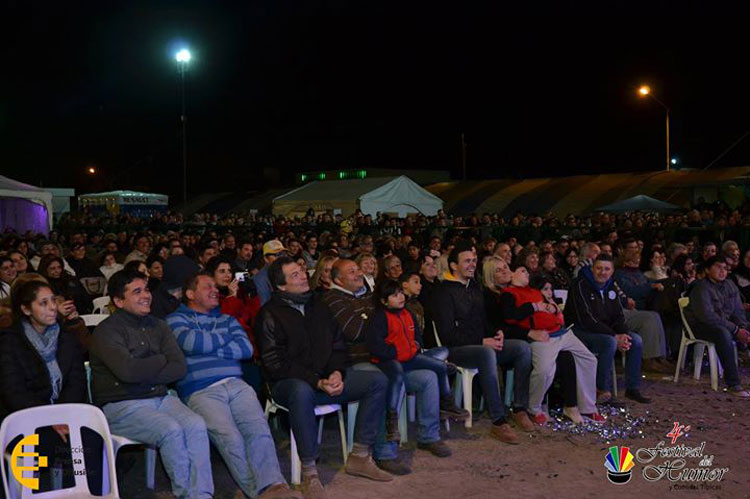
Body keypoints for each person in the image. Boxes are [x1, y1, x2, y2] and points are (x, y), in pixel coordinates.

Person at [256, 256, 393, 498]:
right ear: (281, 286)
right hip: (287, 384)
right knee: (301, 390)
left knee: (377, 381)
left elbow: (338, 346)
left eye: (301, 271)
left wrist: (337, 373)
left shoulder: (318, 306)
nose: (303, 276)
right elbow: (275, 364)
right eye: (295, 275)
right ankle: (309, 472)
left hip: (324, 378)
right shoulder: (269, 314)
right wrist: (316, 381)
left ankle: (360, 455)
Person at [166, 274, 300, 499]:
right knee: (230, 438)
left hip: (236, 384)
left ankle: (274, 485)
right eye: (207, 286)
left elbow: (246, 349)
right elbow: (191, 343)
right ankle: (259, 491)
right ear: (190, 294)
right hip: (201, 390)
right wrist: (221, 340)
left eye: (214, 286)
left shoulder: (227, 319)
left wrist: (207, 345)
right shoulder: (174, 319)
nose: (215, 289)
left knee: (258, 430)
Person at [89, 269, 213, 499]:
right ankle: (187, 495)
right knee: (171, 430)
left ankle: (203, 494)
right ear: (118, 300)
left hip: (160, 397)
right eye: (136, 292)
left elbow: (179, 368)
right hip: (122, 404)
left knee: (196, 424)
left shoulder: (159, 325)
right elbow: (127, 371)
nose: (146, 295)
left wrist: (142, 369)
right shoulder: (107, 331)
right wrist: (160, 359)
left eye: (146, 289)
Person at [0, 280, 100, 494]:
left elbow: (76, 381)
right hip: (25, 419)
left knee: (90, 439)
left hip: (62, 416)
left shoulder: (65, 338)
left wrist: (63, 415)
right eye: (43, 303)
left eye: (53, 300)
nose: (53, 307)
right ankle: (36, 491)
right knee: (46, 446)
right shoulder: (10, 342)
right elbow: (13, 392)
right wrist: (50, 418)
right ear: (26, 309)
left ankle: (87, 493)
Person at [434, 241, 533, 444]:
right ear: (454, 266)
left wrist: (496, 333)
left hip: (481, 344)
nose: (472, 264)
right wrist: (482, 341)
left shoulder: (474, 287)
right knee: (486, 353)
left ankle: (520, 407)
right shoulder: (444, 292)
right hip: (457, 349)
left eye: (474, 261)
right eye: (467, 261)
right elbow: (447, 335)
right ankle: (498, 420)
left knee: (522, 348)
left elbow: (483, 321)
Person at [496, 268, 601, 424]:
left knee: (589, 360)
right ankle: (534, 408)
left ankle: (588, 407)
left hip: (561, 332)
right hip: (543, 337)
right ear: (513, 275)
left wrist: (551, 307)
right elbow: (510, 317)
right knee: (545, 371)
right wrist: (534, 308)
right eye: (523, 271)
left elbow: (549, 305)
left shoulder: (534, 291)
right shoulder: (508, 294)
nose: (527, 273)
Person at [367, 279, 468, 437]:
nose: (400, 297)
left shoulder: (408, 314)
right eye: (394, 296)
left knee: (440, 366)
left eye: (400, 292)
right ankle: (391, 418)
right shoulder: (380, 317)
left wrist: (415, 347)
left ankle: (446, 402)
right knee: (397, 374)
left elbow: (417, 337)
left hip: (410, 357)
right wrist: (396, 351)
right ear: (383, 301)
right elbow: (376, 346)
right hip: (389, 361)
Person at [565, 254, 651, 405]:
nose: (602, 272)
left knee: (635, 340)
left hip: (604, 330)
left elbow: (618, 314)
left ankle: (632, 388)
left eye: (606, 269)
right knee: (609, 342)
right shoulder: (579, 285)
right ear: (592, 269)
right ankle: (601, 390)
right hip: (579, 331)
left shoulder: (610, 286)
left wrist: (622, 333)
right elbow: (586, 319)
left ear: (612, 271)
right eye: (598, 268)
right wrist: (614, 335)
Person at [684, 256, 750, 397]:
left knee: (739, 329)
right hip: (701, 327)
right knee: (723, 333)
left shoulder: (730, 285)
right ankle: (733, 384)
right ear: (708, 270)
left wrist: (743, 327)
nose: (722, 271)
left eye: (725, 268)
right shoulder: (700, 287)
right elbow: (708, 317)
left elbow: (738, 310)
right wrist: (736, 330)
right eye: (718, 267)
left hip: (725, 325)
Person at [254, 240, 289, 305]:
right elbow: (266, 304)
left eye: (283, 254)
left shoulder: (286, 271)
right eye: (277, 255)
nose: (281, 257)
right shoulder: (261, 278)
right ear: (266, 259)